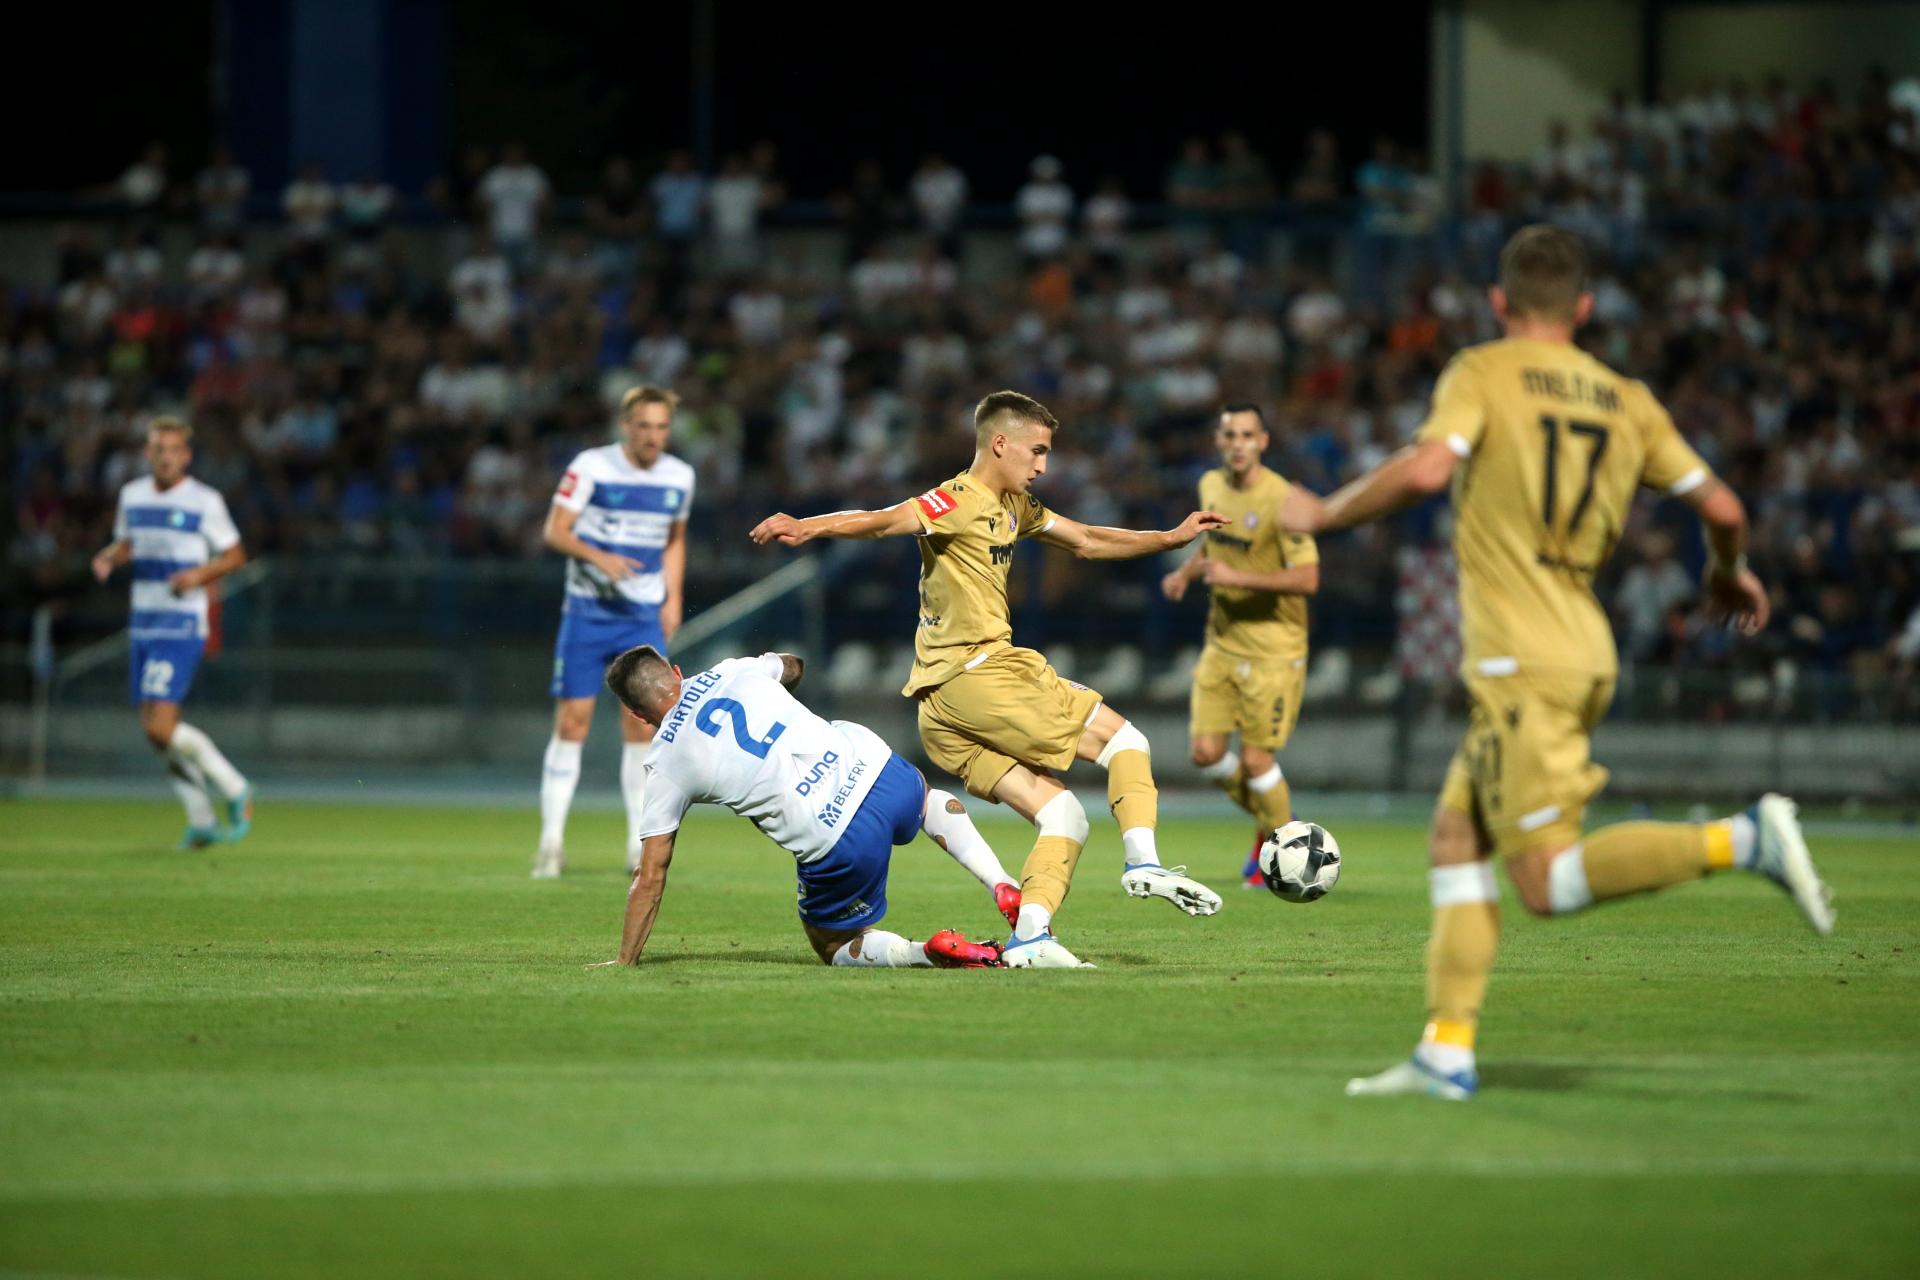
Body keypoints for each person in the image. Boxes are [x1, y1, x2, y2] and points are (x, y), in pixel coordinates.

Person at [1279, 225, 1834, 1101]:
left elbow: (1426, 473)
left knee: (1546, 882)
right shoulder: (1627, 399)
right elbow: (1722, 503)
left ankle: (1743, 838)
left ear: (1500, 303)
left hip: (1519, 658)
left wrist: (1326, 514)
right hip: (1581, 638)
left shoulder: (1483, 371)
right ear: (1582, 310)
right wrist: (1726, 571)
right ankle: (1445, 1051)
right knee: (1456, 838)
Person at [750, 390, 1228, 969]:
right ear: (1000, 443)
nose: (1043, 465)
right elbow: (882, 522)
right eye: (1037, 450)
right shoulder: (955, 499)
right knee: (1126, 742)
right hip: (979, 672)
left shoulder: (1016, 507)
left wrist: (1170, 539)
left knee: (1064, 816)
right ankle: (1143, 862)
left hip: (941, 710)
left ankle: (1031, 939)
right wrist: (808, 527)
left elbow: (1086, 540)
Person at [594, 646, 1018, 969]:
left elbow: (650, 875)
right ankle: (999, 879)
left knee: (830, 942)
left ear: (635, 713)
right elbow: (793, 666)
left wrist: (626, 960)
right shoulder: (731, 669)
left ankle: (926, 952)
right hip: (874, 770)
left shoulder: (665, 760)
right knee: (923, 798)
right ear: (677, 673)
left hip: (834, 836)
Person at [535, 385, 694, 879]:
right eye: (644, 426)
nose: (653, 436)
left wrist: (673, 597)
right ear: (626, 426)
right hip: (587, 611)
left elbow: (674, 542)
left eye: (661, 426)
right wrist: (599, 556)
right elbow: (555, 530)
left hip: (641, 616)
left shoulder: (679, 477)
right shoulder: (592, 466)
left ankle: (634, 845)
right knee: (572, 723)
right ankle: (551, 844)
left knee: (643, 728)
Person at [1160, 404, 1320, 886]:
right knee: (1206, 753)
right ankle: (1270, 822)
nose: (1238, 443)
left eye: (1248, 434)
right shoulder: (1211, 485)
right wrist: (1186, 572)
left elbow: (1309, 578)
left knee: (1256, 760)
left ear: (1263, 441)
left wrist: (1238, 577)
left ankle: (1287, 854)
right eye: (1230, 434)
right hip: (1222, 642)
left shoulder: (1284, 500)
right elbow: (1214, 542)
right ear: (1219, 440)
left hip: (1274, 648)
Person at [90, 417, 253, 848]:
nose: (165, 457)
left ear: (187, 455)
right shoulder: (132, 495)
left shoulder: (204, 500)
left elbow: (236, 554)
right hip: (143, 619)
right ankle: (201, 819)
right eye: (158, 449)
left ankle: (235, 788)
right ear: (148, 454)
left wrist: (200, 572)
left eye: (173, 450)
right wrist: (110, 557)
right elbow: (128, 543)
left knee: (162, 729)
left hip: (181, 622)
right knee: (154, 731)